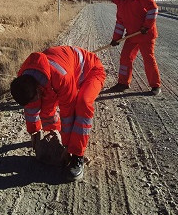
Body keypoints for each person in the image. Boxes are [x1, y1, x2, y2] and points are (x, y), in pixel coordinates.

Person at [9, 46, 106, 181]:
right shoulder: (26, 78)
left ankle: (77, 156)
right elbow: (31, 108)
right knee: (46, 110)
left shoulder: (61, 77)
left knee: (82, 104)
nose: (34, 102)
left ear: (38, 89)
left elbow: (68, 115)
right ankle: (55, 135)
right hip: (60, 74)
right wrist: (34, 132)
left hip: (92, 71)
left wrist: (68, 147)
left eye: (35, 98)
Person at [105, 0, 162, 95]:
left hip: (146, 34)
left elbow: (153, 8)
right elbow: (120, 22)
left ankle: (155, 85)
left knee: (148, 59)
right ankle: (123, 83)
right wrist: (116, 39)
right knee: (125, 57)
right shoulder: (120, 3)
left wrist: (146, 26)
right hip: (132, 35)